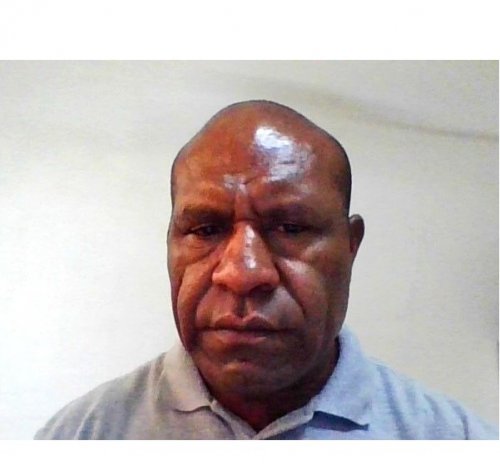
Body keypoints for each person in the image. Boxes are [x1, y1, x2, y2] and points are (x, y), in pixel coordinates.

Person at [35, 100, 498, 439]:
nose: (242, 273)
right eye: (206, 229)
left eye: (291, 228)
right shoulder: (78, 440)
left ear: (350, 247)